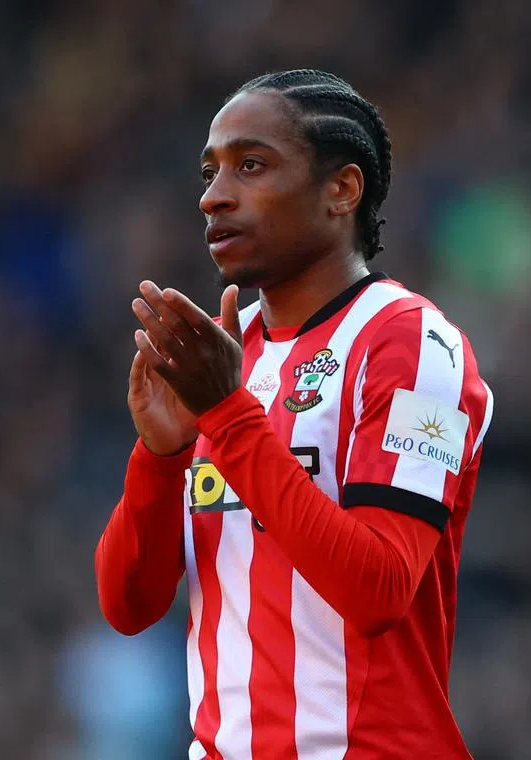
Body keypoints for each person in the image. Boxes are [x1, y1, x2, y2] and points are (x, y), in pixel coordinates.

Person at [95, 69, 494, 760]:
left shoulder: (412, 346)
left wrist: (229, 414)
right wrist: (157, 459)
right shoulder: (224, 353)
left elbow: (377, 591)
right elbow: (129, 607)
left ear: (342, 189)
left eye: (251, 165)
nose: (215, 197)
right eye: (210, 171)